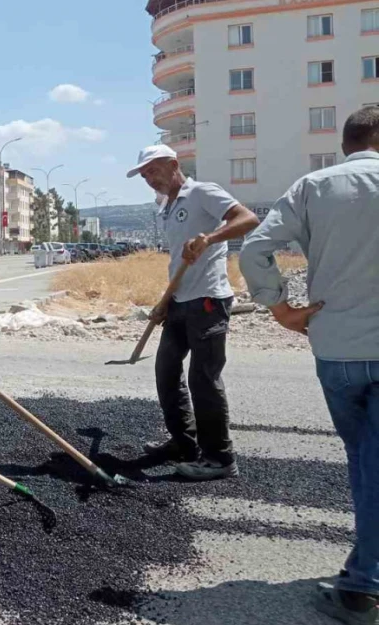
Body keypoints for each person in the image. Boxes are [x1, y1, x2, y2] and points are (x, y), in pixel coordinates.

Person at [239, 106, 379, 625]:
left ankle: (364, 582)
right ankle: (364, 580)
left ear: (347, 143)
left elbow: (255, 249)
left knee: (367, 461)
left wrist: (280, 308)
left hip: (339, 347)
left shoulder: (315, 187)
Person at [126, 144, 259, 480]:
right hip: (180, 300)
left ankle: (219, 458)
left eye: (153, 171)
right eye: (144, 175)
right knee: (166, 371)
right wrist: (165, 301)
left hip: (208, 301)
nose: (149, 179)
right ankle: (184, 443)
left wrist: (210, 238)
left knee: (203, 378)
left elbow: (248, 218)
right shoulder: (166, 207)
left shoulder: (202, 192)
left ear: (173, 164)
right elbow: (177, 260)